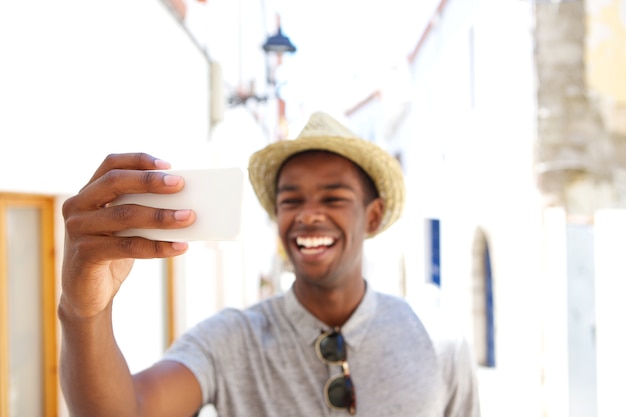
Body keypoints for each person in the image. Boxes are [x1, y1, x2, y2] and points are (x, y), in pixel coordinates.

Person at [58, 111, 480, 417]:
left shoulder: (440, 341)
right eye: (291, 200)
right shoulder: (231, 340)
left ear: (372, 216)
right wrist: (84, 312)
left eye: (333, 198)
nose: (308, 214)